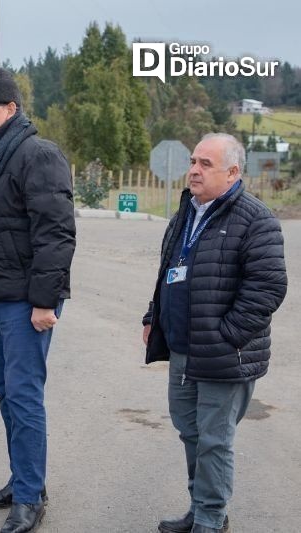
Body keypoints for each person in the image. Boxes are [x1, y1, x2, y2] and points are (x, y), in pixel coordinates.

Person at [143, 133, 287, 533]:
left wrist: (227, 335)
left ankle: (210, 519)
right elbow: (168, 274)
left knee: (214, 440)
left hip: (224, 352)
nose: (194, 170)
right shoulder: (186, 213)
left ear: (233, 172)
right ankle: (202, 508)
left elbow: (268, 287)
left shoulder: (256, 220)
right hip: (183, 350)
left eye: (206, 164)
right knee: (190, 431)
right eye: (193, 161)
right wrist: (152, 316)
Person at [0, 66, 76, 533]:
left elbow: (57, 235)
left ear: (11, 108)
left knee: (24, 398)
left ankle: (30, 498)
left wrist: (45, 303)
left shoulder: (38, 155)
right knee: (7, 394)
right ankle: (24, 479)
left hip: (28, 303)